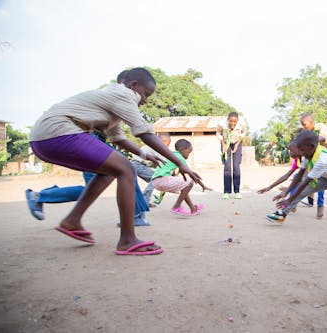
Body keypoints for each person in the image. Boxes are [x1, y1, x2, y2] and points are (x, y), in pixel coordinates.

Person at [29, 67, 203, 255]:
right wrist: (180, 164)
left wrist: (144, 155)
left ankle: (73, 220)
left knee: (110, 171)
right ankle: (127, 240)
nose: (145, 101)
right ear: (133, 85)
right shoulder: (123, 94)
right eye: (146, 94)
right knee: (126, 169)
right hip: (58, 132)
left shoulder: (112, 101)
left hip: (43, 138)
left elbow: (117, 137)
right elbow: (145, 132)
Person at [258, 139, 324, 218]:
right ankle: (288, 208)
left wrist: (288, 189)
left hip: (323, 176)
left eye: (291, 150)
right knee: (296, 178)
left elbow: (306, 178)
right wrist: (270, 187)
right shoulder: (298, 160)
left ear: (299, 148)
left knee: (315, 184)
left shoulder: (310, 157)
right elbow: (286, 176)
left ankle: (320, 205)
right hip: (310, 176)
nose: (290, 153)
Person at [151, 139, 210, 216]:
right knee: (189, 183)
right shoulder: (179, 157)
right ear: (182, 150)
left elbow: (188, 173)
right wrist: (202, 185)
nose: (188, 155)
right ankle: (176, 207)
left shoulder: (172, 154)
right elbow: (191, 173)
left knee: (184, 187)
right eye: (188, 152)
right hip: (162, 180)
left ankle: (193, 209)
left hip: (156, 181)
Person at [130, 132, 171, 208]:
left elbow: (157, 164)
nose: (167, 147)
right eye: (167, 144)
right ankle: (144, 201)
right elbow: (163, 163)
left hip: (135, 164)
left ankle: (143, 200)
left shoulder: (152, 147)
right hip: (138, 165)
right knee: (155, 179)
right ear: (160, 142)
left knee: (153, 179)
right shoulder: (157, 148)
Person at [217, 112, 247, 199]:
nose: (232, 123)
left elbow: (243, 133)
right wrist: (223, 144)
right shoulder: (222, 124)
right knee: (227, 167)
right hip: (226, 143)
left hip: (237, 142)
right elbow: (218, 133)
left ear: (237, 121)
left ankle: (237, 191)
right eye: (231, 121)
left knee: (236, 167)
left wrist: (237, 145)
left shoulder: (242, 124)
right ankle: (227, 192)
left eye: (235, 121)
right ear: (228, 120)